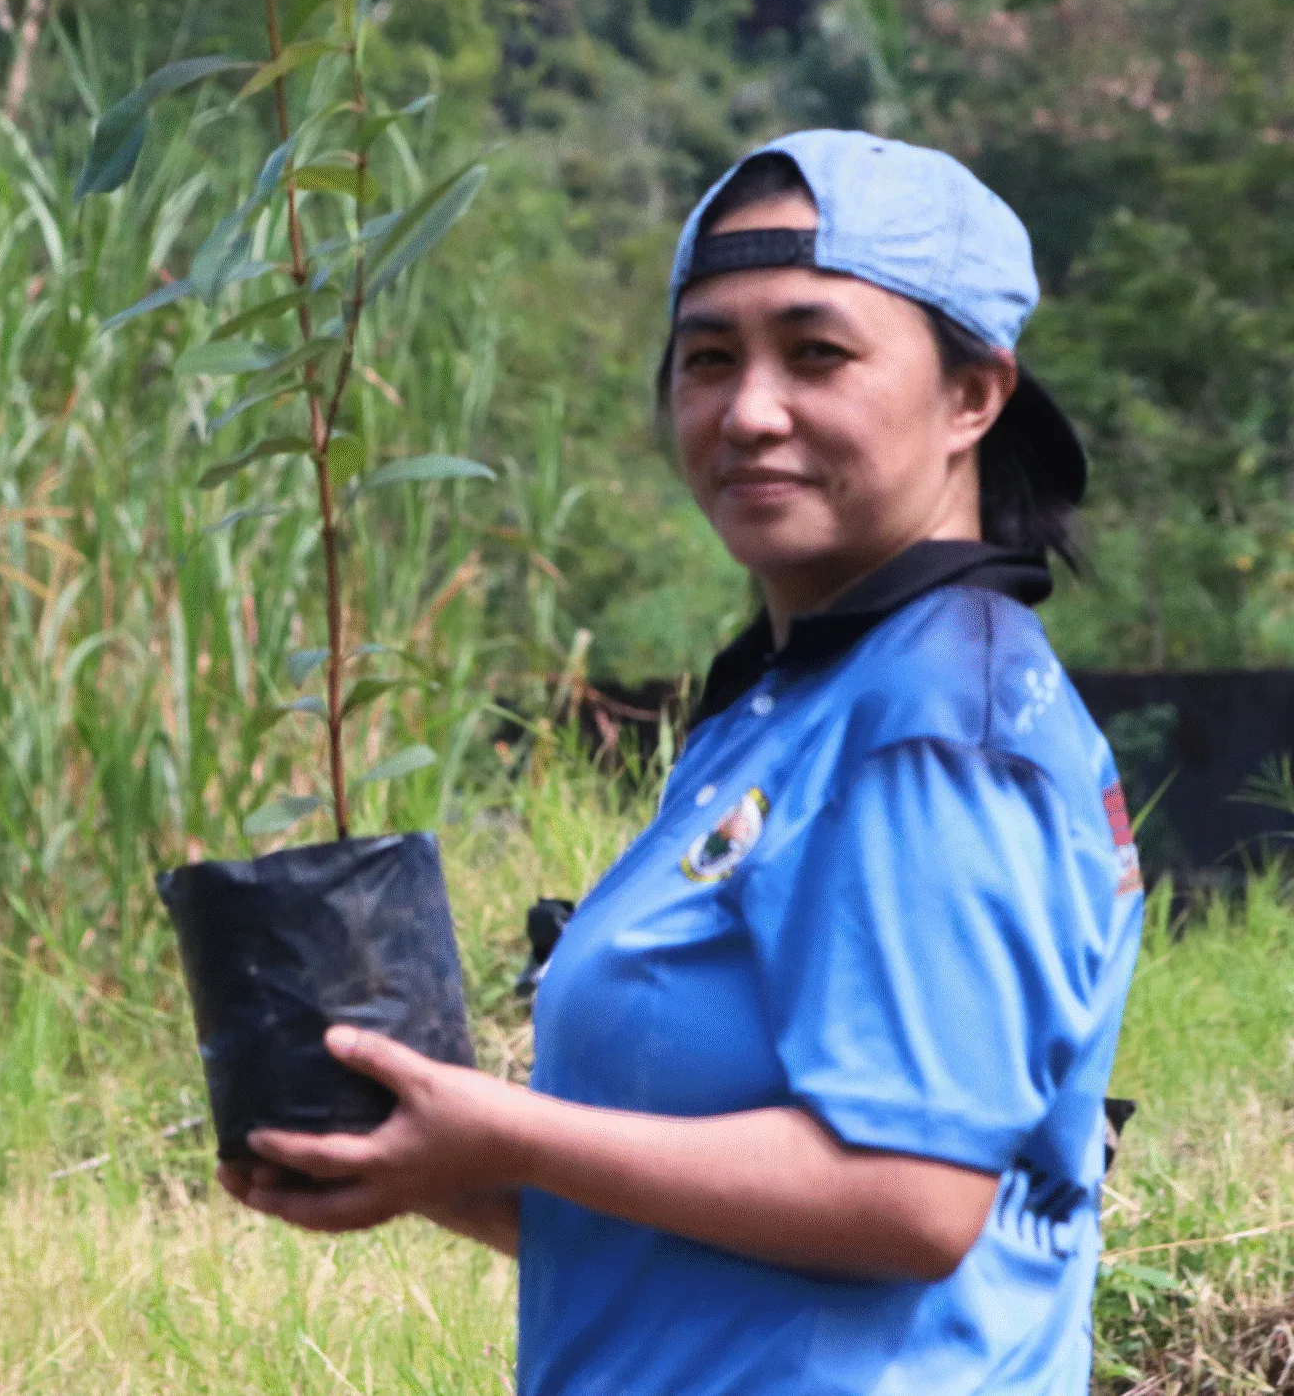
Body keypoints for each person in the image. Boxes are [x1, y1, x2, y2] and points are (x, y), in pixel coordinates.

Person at [222, 130, 1142, 1396]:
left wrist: (510, 1130)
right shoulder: (791, 703)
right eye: (709, 358)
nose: (749, 410)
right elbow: (692, 1232)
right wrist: (426, 1164)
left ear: (972, 395)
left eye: (815, 353)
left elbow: (910, 1200)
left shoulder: (933, 720)